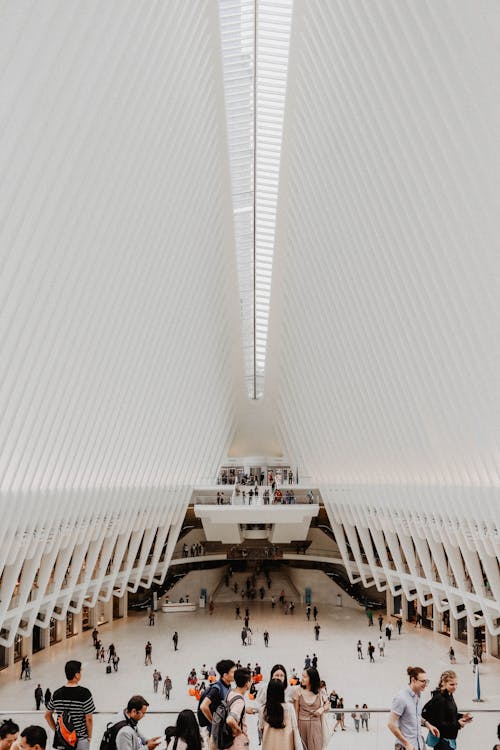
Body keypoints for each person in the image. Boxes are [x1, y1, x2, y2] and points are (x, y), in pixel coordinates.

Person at [45, 660, 96, 750]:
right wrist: (90, 736)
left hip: (63, 739)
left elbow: (47, 715)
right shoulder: (85, 693)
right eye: (80, 671)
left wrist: (58, 731)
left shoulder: (57, 693)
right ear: (76, 675)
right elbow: (89, 719)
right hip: (80, 738)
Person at [387, 665, 439, 750]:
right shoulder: (401, 698)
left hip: (419, 744)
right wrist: (406, 744)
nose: (425, 684)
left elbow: (415, 716)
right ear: (413, 680)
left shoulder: (419, 695)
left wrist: (428, 724)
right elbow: (391, 724)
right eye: (423, 681)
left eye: (426, 681)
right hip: (406, 747)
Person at [422, 670, 472, 749]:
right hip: (442, 740)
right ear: (443, 683)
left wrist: (462, 716)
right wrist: (458, 724)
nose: (455, 687)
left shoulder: (449, 695)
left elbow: (448, 714)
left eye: (456, 684)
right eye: (451, 684)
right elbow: (439, 723)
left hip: (448, 739)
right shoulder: (440, 699)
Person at [198, 659, 235, 738]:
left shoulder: (227, 686)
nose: (235, 674)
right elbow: (203, 706)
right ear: (225, 675)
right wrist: (214, 724)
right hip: (215, 733)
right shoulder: (217, 688)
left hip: (221, 730)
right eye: (233, 672)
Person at [260, 679, 301, 750]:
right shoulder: (289, 707)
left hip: (269, 745)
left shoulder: (264, 709)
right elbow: (295, 727)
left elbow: (261, 727)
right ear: (282, 692)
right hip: (286, 745)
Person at [294, 668, 328, 750]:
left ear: (312, 678)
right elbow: (296, 711)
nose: (302, 678)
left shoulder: (320, 691)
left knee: (316, 746)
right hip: (301, 724)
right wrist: (295, 727)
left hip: (316, 725)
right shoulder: (298, 691)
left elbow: (327, 704)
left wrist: (321, 709)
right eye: (302, 676)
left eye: (305, 677)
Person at [225, 668, 251, 750]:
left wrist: (245, 710)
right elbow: (230, 719)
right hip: (236, 742)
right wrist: (240, 731)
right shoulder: (240, 701)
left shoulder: (231, 692)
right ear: (247, 683)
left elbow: (231, 707)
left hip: (227, 739)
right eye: (250, 681)